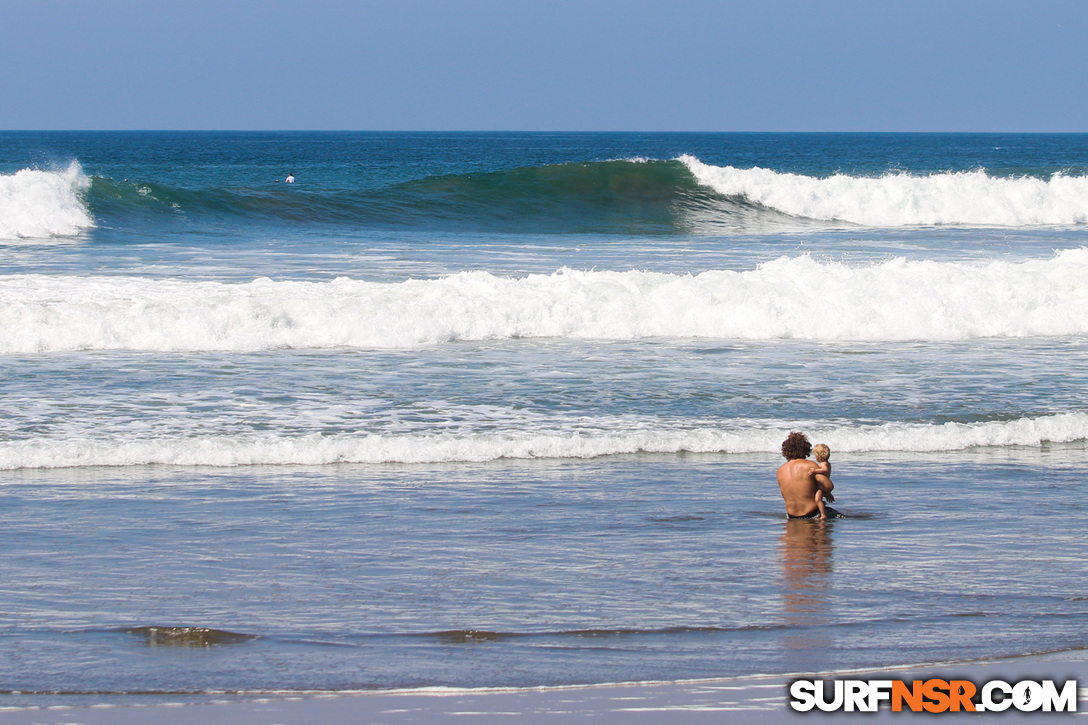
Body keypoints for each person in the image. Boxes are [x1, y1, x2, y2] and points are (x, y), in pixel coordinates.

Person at [776, 432, 843, 519]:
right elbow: (829, 485)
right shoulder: (809, 466)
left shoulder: (780, 470)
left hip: (791, 516)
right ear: (805, 448)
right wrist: (825, 492)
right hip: (813, 514)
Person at [810, 443, 834, 519]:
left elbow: (825, 470)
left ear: (819, 456)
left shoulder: (824, 464)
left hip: (822, 486)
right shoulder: (827, 463)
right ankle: (822, 505)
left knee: (817, 499)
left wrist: (815, 471)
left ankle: (823, 515)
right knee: (818, 500)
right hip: (823, 485)